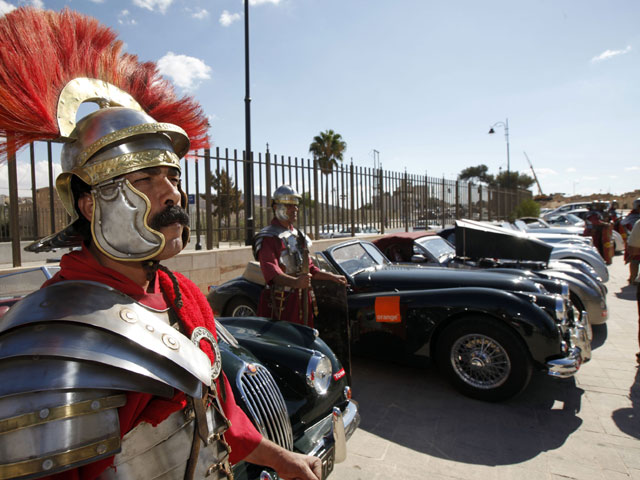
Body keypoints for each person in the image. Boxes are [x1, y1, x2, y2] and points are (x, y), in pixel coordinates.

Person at [0, 8, 320, 480]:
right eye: (145, 179)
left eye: (173, 176)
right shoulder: (54, 335)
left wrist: (283, 459)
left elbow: (219, 418)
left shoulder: (181, 294)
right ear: (88, 204)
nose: (172, 193)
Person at [254, 185, 346, 327]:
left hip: (302, 298)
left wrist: (332, 277)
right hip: (281, 302)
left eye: (296, 205)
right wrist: (296, 282)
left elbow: (309, 269)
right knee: (284, 339)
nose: (295, 209)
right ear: (276, 207)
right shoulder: (268, 237)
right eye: (289, 205)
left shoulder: (298, 235)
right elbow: (271, 273)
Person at [622, 199, 640, 283]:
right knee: (634, 260)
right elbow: (626, 226)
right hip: (635, 241)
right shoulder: (632, 216)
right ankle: (633, 277)